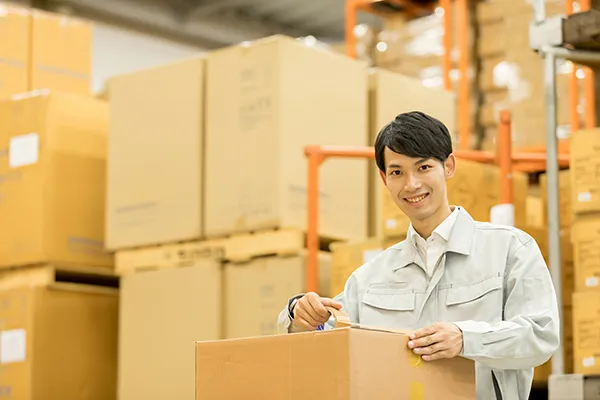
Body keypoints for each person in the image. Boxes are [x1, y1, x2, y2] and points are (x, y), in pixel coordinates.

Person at [277, 111, 560, 400]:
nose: (411, 184)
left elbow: (541, 336)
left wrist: (466, 339)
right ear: (384, 178)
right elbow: (324, 340)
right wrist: (299, 316)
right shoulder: (369, 279)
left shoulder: (510, 249)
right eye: (397, 172)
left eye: (423, 167)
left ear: (448, 166)